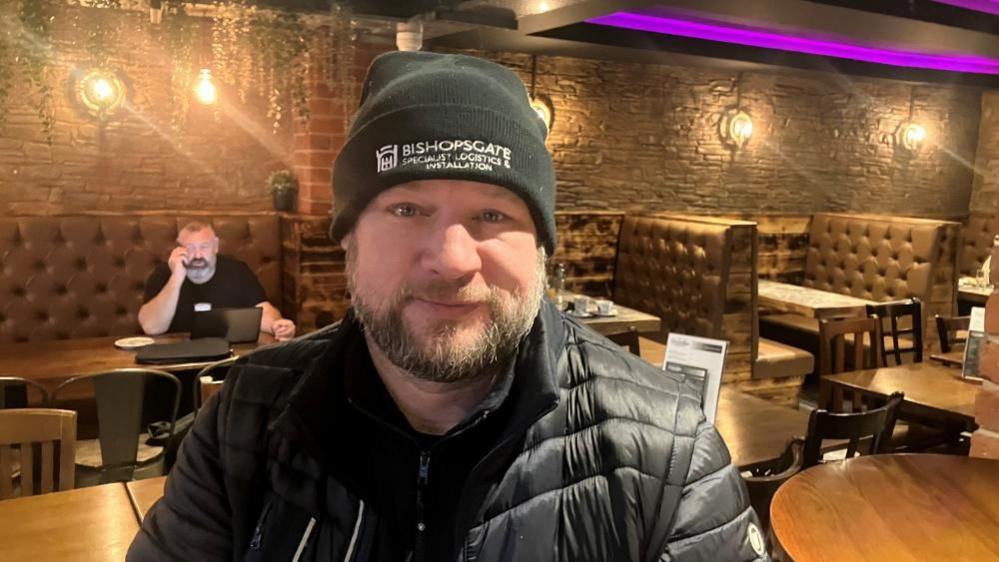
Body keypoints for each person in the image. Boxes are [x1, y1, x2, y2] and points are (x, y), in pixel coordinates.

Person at [128, 52, 767, 561]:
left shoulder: (669, 449)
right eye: (406, 209)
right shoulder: (246, 417)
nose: (453, 258)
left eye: (494, 214)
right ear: (348, 234)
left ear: (542, 246)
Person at [137, 221, 296, 341]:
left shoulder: (237, 271)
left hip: (226, 358)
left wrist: (277, 325)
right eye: (190, 248)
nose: (198, 255)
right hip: (174, 360)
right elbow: (151, 327)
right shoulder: (163, 273)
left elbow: (263, 309)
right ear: (179, 250)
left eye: (204, 247)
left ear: (216, 246)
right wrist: (177, 277)